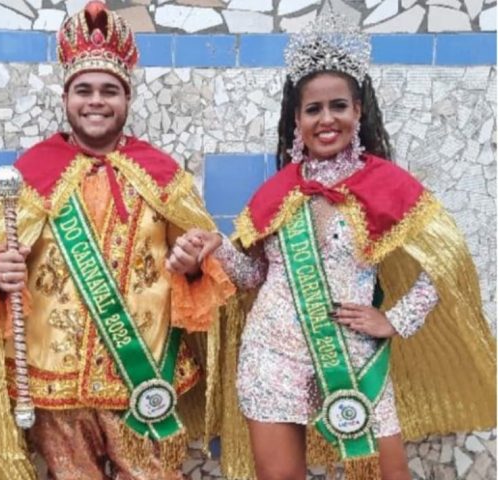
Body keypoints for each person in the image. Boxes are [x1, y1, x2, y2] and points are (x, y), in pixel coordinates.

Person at [170, 12, 496, 480]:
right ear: (297, 119)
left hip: (353, 352)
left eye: (338, 106)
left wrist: (394, 319)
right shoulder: (277, 192)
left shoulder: (388, 185)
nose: (326, 119)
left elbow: (448, 261)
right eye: (313, 109)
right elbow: (254, 276)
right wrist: (216, 247)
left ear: (358, 111)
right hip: (271, 355)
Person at [0, 2, 235, 479]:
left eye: (109, 90)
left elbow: (202, 259)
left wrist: (194, 261)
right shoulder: (31, 175)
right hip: (56, 382)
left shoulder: (163, 174)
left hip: (143, 375)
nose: (96, 101)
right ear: (66, 97)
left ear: (127, 99)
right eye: (84, 90)